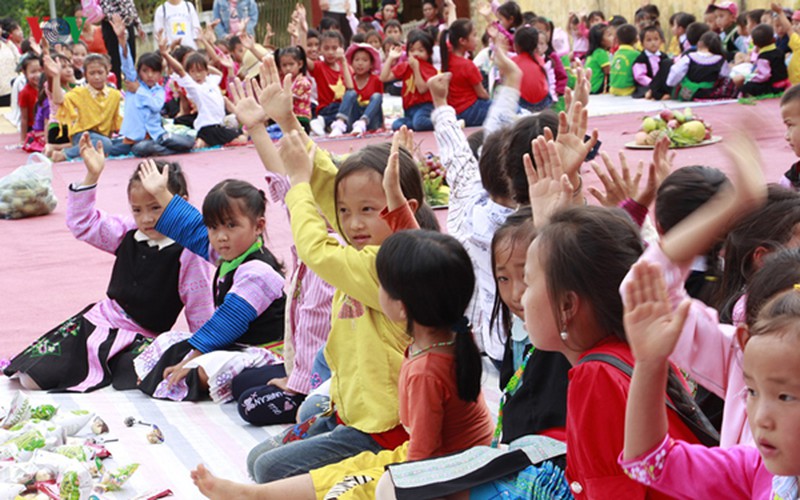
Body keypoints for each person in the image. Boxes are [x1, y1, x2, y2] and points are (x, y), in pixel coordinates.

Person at [243, 55, 438, 484]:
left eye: (368, 210)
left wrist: (297, 187)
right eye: (345, 212)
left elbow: (316, 249)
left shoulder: (389, 265)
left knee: (266, 469)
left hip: (386, 432)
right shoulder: (372, 243)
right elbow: (332, 183)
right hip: (351, 409)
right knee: (267, 450)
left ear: (406, 209)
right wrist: (287, 122)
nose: (351, 223)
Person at [3, 133, 215, 392]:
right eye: (137, 210)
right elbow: (84, 224)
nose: (146, 218)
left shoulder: (189, 253)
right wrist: (91, 176)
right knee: (29, 378)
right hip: (97, 322)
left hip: (141, 338)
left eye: (155, 207)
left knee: (143, 375)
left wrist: (202, 355)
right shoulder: (127, 232)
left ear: (177, 202)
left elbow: (200, 309)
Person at [619, 266, 800, 498]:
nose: (760, 418)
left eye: (784, 397)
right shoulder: (757, 471)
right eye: (752, 392)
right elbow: (651, 461)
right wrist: (649, 363)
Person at [223, 69, 335, 426]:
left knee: (250, 402)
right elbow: (289, 180)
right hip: (298, 364)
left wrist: (287, 121)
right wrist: (258, 129)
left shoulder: (337, 251)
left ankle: (303, 394)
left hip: (326, 382)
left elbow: (313, 174)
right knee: (238, 383)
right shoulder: (307, 226)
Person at [134, 166, 287, 403]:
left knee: (208, 370)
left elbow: (226, 324)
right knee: (167, 341)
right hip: (235, 346)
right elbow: (192, 228)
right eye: (214, 227)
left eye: (231, 226)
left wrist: (189, 360)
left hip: (266, 353)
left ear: (258, 226)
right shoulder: (230, 256)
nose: (220, 236)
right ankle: (170, 377)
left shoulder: (259, 272)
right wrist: (162, 192)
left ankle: (182, 379)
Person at [111, 15, 194, 157]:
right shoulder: (133, 84)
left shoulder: (158, 90)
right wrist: (122, 40)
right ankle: (169, 150)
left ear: (160, 74)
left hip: (158, 135)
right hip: (137, 140)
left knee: (189, 142)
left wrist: (139, 91)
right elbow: (126, 63)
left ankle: (165, 144)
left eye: (154, 72)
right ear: (139, 72)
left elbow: (156, 106)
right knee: (140, 149)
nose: (150, 75)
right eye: (145, 71)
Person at [158, 33, 247, 148]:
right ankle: (200, 142)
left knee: (243, 137)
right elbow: (180, 70)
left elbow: (218, 73)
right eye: (193, 72)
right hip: (207, 127)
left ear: (206, 71)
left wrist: (204, 64)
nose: (197, 75)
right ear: (189, 73)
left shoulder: (210, 81)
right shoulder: (193, 87)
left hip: (219, 125)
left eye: (200, 71)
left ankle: (205, 142)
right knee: (239, 139)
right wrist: (165, 54)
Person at [51, 54, 126, 162]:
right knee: (105, 144)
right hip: (82, 134)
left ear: (107, 73)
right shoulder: (79, 92)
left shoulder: (115, 95)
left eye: (100, 72)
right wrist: (56, 76)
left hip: (103, 137)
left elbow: (112, 124)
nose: (96, 77)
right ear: (85, 75)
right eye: (92, 73)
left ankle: (97, 149)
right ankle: (65, 154)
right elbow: (58, 100)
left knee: (126, 144)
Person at [381, 29, 437, 131]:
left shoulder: (429, 69)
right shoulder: (406, 66)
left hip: (425, 106)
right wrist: (390, 58)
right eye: (412, 50)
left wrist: (416, 69)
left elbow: (422, 89)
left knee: (419, 123)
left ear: (429, 53)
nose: (415, 54)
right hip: (409, 109)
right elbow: (384, 77)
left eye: (420, 50)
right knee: (396, 125)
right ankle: (415, 124)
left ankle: (444, 122)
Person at [440, 19, 491, 126]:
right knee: (503, 107)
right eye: (474, 35)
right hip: (472, 110)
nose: (477, 39)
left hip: (456, 111)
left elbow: (453, 29)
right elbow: (482, 94)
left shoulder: (447, 56)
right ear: (462, 41)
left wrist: (451, 7)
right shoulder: (467, 65)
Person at [304, 31, 353, 136]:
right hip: (327, 108)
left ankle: (326, 123)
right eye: (326, 48)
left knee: (351, 105)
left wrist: (344, 62)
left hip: (342, 109)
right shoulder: (319, 67)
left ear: (342, 48)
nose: (330, 52)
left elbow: (350, 88)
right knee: (338, 109)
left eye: (335, 48)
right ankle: (325, 122)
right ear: (320, 50)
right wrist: (302, 30)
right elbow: (303, 58)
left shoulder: (345, 66)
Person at [329, 43, 383, 136]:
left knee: (377, 96)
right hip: (353, 120)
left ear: (371, 64)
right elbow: (350, 89)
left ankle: (362, 123)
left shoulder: (376, 79)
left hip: (370, 120)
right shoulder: (350, 78)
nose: (360, 63)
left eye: (365, 60)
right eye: (356, 60)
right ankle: (339, 124)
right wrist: (343, 62)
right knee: (350, 93)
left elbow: (379, 104)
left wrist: (382, 124)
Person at [667, 31, 734, 101]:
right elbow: (726, 77)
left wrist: (671, 83)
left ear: (699, 44)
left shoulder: (688, 57)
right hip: (709, 95)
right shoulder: (721, 61)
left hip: (688, 94)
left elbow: (675, 73)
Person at [733, 24, 790, 97]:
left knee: (747, 86)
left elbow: (764, 76)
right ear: (774, 39)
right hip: (784, 82)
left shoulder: (763, 57)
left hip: (773, 86)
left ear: (754, 43)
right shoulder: (779, 51)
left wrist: (752, 78)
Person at [99, 0, 143, 87]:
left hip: (127, 24)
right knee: (115, 60)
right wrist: (118, 24)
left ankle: (131, 83)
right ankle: (116, 86)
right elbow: (106, 8)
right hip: (111, 26)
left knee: (130, 57)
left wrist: (138, 25)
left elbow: (131, 7)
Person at [511, 26, 551, 112]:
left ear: (516, 45)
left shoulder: (513, 61)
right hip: (543, 103)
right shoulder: (540, 60)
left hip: (523, 104)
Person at [276, 46, 313, 133]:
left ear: (300, 64)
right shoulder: (282, 80)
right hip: (287, 119)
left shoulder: (303, 82)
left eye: (291, 64)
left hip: (300, 119)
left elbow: (288, 99)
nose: (288, 68)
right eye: (284, 65)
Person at [632, 25, 672, 100]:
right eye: (649, 40)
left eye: (656, 39)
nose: (653, 43)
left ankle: (659, 94)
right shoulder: (641, 59)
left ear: (661, 41)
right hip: (647, 84)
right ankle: (652, 93)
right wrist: (653, 83)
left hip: (661, 84)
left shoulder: (664, 57)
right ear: (642, 43)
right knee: (643, 90)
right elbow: (639, 76)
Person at [17, 54, 42, 146]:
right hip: (33, 128)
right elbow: (24, 118)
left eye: (40, 71)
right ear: (24, 73)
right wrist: (23, 139)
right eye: (33, 72)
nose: (38, 75)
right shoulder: (25, 93)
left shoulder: (47, 88)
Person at [609, 24, 639, 96]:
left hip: (613, 89)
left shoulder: (616, 53)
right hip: (628, 90)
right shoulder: (636, 54)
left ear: (617, 40)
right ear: (636, 39)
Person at [586, 23, 615, 93]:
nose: (613, 37)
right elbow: (609, 71)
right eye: (609, 35)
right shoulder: (601, 53)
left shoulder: (595, 52)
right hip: (595, 88)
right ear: (601, 41)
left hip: (589, 87)